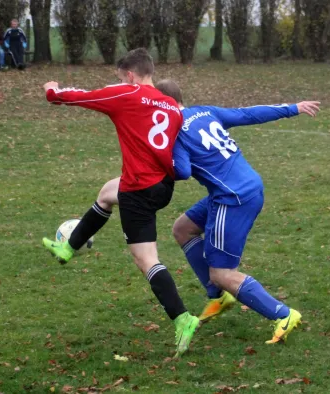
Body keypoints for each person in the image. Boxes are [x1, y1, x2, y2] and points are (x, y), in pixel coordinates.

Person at [41, 48, 200, 358]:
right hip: (161, 186)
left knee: (146, 260)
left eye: (120, 77)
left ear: (129, 75)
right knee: (106, 193)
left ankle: (183, 318)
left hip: (139, 191)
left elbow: (77, 97)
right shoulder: (170, 104)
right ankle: (68, 247)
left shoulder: (127, 94)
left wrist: (51, 89)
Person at [157, 79, 320, 344]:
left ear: (163, 103)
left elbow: (183, 171)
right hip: (248, 186)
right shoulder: (204, 112)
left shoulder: (175, 132)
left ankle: (283, 314)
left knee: (222, 272)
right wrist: (293, 107)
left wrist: (161, 159)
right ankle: (219, 295)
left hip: (232, 199)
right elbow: (247, 114)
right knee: (183, 228)